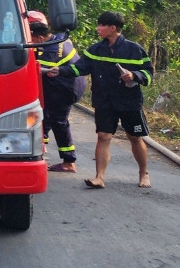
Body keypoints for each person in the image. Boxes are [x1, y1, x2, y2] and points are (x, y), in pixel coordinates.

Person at [53, 11, 153, 189]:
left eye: (101, 25)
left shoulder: (134, 50)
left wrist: (134, 75)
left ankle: (143, 173)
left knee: (135, 137)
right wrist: (60, 70)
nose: (98, 28)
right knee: (103, 136)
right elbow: (80, 69)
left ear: (112, 28)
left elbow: (148, 74)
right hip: (104, 101)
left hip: (129, 101)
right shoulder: (95, 50)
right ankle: (99, 177)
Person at [29, 10, 84, 173]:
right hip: (70, 84)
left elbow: (31, 66)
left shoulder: (51, 51)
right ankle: (41, 146)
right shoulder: (60, 38)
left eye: (31, 40)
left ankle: (69, 161)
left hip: (66, 89)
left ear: (39, 38)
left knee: (59, 122)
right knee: (45, 116)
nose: (30, 43)